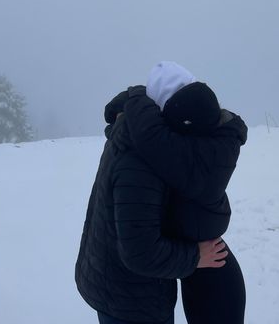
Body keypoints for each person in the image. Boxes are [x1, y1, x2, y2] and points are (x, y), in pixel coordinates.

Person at [75, 85, 228, 324]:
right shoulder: (141, 166)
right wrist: (195, 257)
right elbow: (140, 252)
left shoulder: (137, 131)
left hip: (116, 285)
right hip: (130, 303)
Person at [124, 61, 248, 324]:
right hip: (206, 271)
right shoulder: (209, 143)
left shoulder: (179, 155)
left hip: (212, 277)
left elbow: (150, 136)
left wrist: (134, 98)